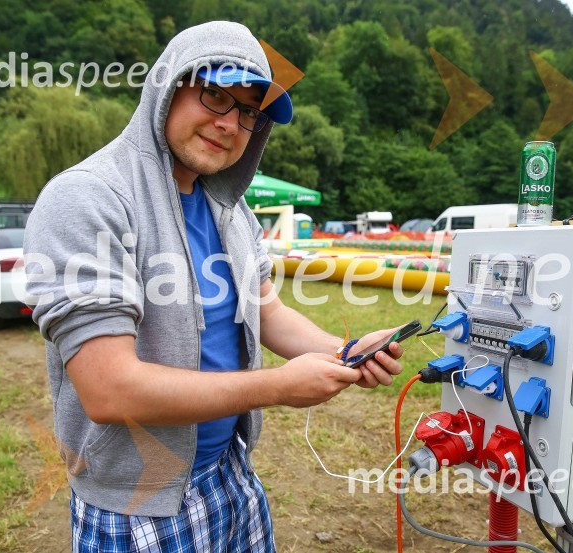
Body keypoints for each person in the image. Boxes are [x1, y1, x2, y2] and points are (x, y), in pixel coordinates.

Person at [23, 21, 405, 552]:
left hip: (230, 474)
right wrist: (276, 387)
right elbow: (108, 390)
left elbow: (266, 310)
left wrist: (344, 351)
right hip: (138, 503)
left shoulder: (231, 210)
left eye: (249, 111)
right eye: (215, 95)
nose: (230, 123)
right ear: (167, 85)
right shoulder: (88, 198)